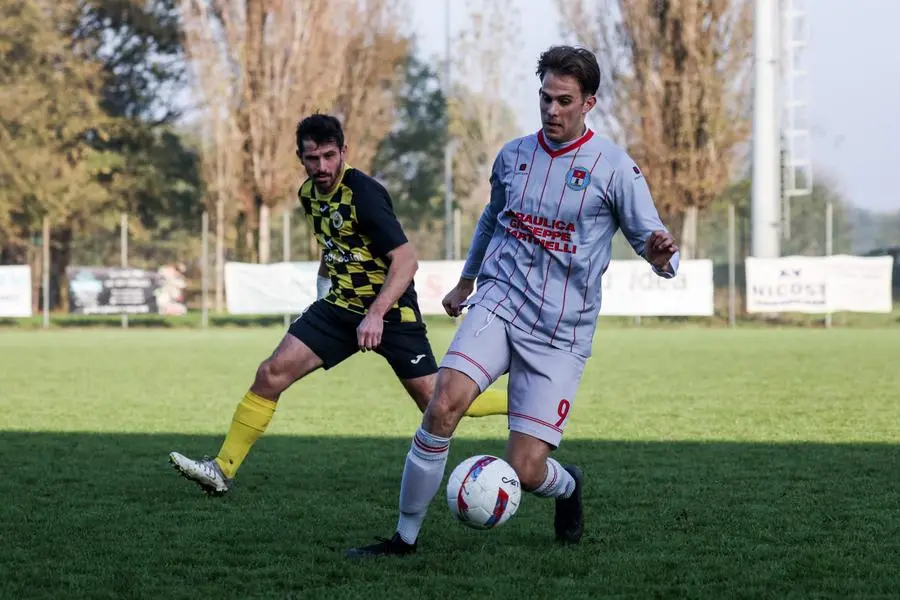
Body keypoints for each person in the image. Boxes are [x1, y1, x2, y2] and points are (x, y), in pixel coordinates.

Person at [346, 45, 679, 558]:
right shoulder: (514, 156)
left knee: (525, 468)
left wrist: (659, 255)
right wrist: (466, 282)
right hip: (500, 301)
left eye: (564, 100)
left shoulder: (614, 169)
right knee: (443, 405)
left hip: (561, 332)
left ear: (588, 102)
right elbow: (490, 218)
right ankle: (403, 538)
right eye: (545, 97)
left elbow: (653, 241)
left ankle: (568, 487)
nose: (551, 110)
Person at [169, 114, 507, 496]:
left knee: (439, 401)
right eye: (312, 159)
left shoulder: (364, 194)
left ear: (344, 151)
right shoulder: (308, 195)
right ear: (301, 158)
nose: (322, 167)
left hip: (392, 313)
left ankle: (523, 403)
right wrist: (322, 293)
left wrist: (376, 314)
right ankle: (221, 469)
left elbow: (406, 261)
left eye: (330, 156)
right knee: (270, 374)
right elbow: (332, 246)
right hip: (340, 308)